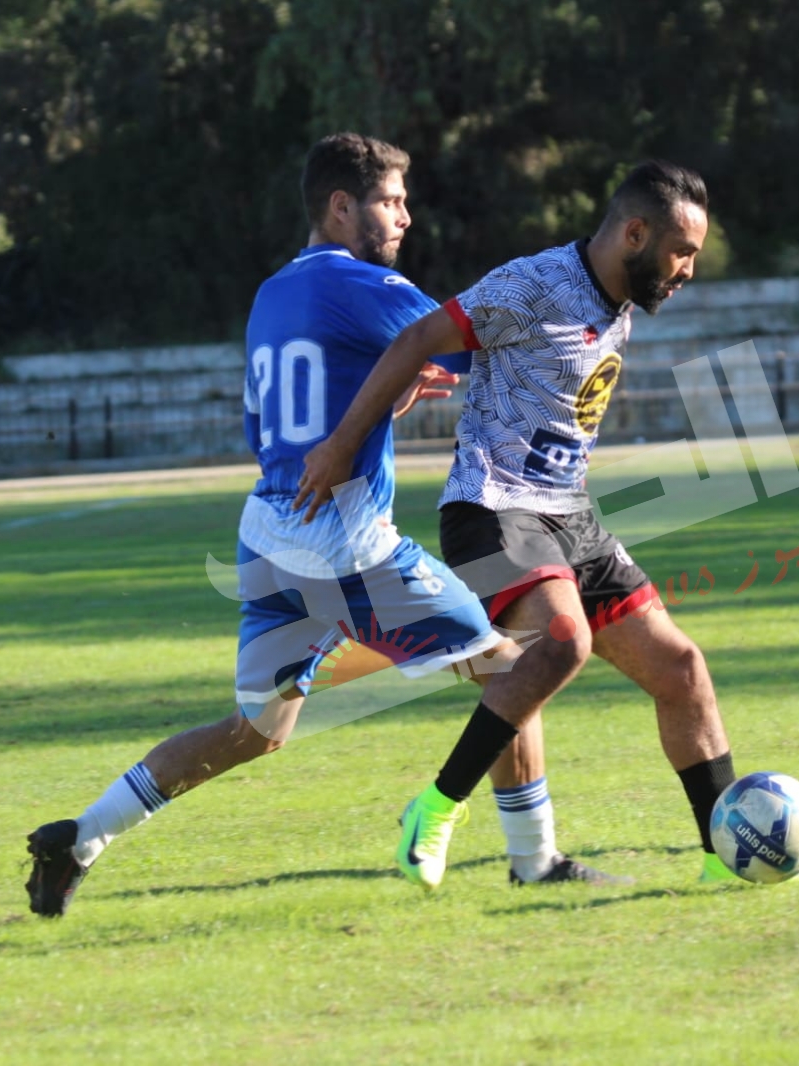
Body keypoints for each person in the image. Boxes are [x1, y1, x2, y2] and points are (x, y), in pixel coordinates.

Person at [24, 133, 625, 918]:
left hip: (268, 537)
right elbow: (472, 345)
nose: (404, 217)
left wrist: (379, 401)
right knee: (517, 669)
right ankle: (533, 859)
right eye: (389, 201)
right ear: (340, 207)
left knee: (256, 731)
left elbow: (272, 419)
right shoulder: (365, 285)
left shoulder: (272, 293)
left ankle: (80, 839)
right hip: (344, 549)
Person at [296, 160, 744, 888]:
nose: (688, 268)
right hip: (491, 509)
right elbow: (414, 341)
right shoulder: (532, 285)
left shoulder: (622, 292)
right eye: (680, 251)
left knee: (681, 670)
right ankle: (436, 806)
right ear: (634, 233)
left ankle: (728, 858)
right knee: (561, 643)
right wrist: (342, 444)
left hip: (569, 514)